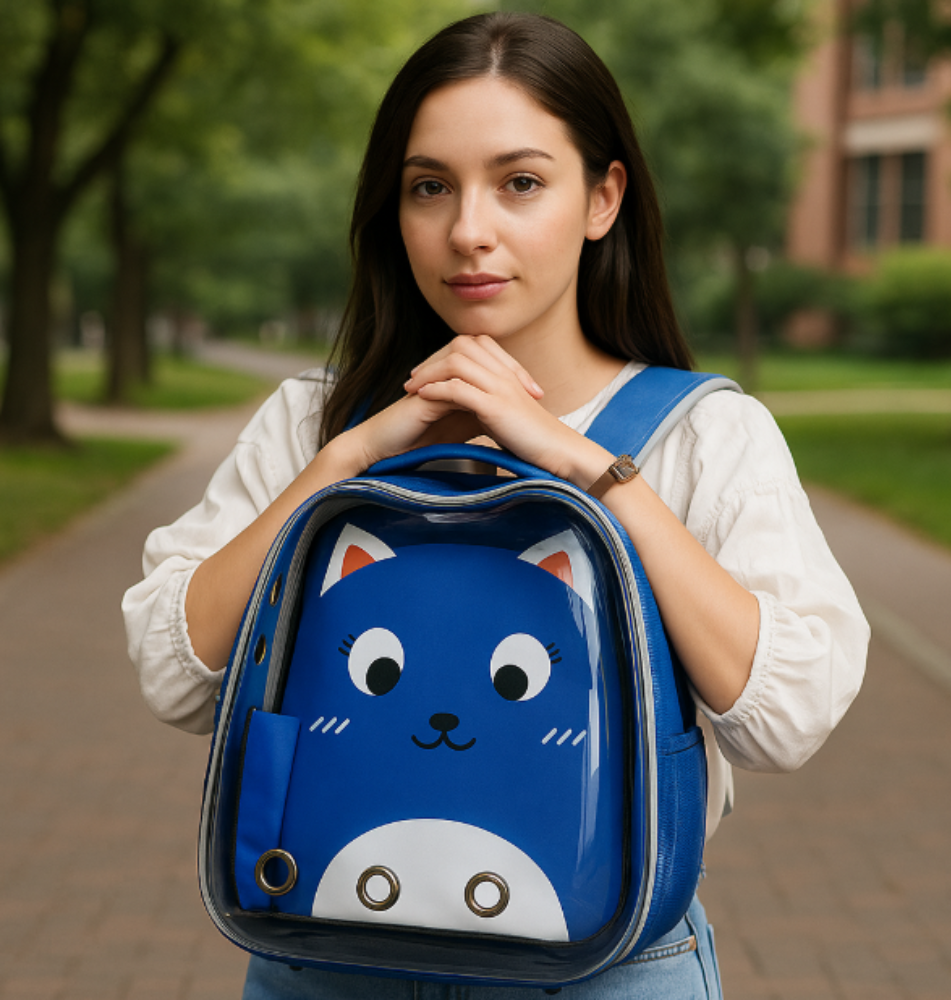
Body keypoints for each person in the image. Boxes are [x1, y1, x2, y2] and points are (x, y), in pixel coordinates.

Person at [123, 11, 868, 999]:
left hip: (603, 968)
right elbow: (178, 680)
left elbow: (785, 718)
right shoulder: (314, 420)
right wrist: (348, 456)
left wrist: (586, 464)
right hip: (324, 957)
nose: (468, 229)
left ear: (603, 198)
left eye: (520, 182)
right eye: (430, 186)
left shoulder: (700, 435)